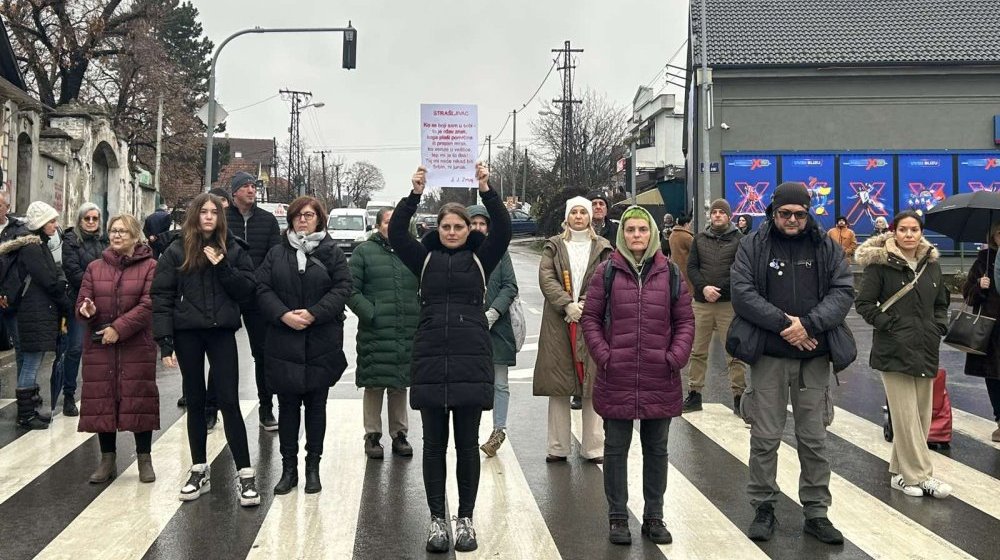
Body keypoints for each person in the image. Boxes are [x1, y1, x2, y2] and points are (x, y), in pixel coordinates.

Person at [388, 163, 511, 553]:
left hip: (470, 357)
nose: (454, 232)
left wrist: (486, 189)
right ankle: (437, 520)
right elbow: (395, 232)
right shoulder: (422, 258)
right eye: (447, 227)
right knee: (434, 445)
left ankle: (466, 519)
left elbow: (504, 230)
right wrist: (414, 194)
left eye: (459, 226)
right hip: (430, 357)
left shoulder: (482, 257)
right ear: (437, 230)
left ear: (469, 229)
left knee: (465, 444)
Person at [727, 181, 856, 545]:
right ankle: (764, 506)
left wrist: (809, 325)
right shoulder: (753, 244)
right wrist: (788, 325)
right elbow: (742, 292)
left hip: (813, 356)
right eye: (785, 213)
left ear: (808, 212)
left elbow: (843, 290)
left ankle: (816, 512)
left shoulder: (826, 246)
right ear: (773, 211)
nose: (793, 220)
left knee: (814, 438)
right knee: (765, 437)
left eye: (800, 214)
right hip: (769, 354)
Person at [581, 205, 695, 546]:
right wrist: (605, 356)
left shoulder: (670, 273)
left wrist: (675, 357)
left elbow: (686, 321)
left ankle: (654, 516)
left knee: (657, 450)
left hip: (660, 375)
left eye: (642, 230)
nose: (636, 236)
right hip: (616, 375)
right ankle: (618, 517)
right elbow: (590, 318)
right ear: (622, 235)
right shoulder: (606, 273)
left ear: (652, 234)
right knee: (615, 449)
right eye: (630, 230)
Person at [151, 192, 261, 507]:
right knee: (196, 400)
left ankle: (245, 473)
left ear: (220, 217)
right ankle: (199, 468)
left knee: (228, 401)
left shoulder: (235, 249)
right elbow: (161, 296)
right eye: (204, 211)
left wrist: (223, 265)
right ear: (195, 216)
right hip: (188, 334)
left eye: (214, 211)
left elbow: (247, 291)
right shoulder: (176, 250)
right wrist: (165, 341)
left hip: (221, 333)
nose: (209, 216)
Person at [257, 196, 352, 495]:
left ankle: (313, 467)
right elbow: (261, 287)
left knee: (316, 407)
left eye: (309, 215)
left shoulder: (332, 252)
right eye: (298, 215)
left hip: (320, 340)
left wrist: (314, 314)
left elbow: (343, 287)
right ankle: (289, 469)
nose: (302, 220)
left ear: (319, 219)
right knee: (287, 408)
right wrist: (283, 315)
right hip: (284, 339)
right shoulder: (276, 253)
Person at [855, 210, 953, 498]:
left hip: (925, 347)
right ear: (893, 233)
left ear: (921, 232)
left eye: (914, 229)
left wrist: (939, 325)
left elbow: (941, 302)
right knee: (906, 416)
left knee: (921, 416)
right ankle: (920, 476)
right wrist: (889, 326)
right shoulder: (880, 264)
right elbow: (863, 303)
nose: (909, 235)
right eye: (903, 230)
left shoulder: (931, 264)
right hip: (893, 349)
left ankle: (900, 473)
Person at [76, 214, 159, 484]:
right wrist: (87, 310)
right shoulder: (94, 267)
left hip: (136, 344)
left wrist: (119, 328)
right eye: (113, 230)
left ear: (135, 236)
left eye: (123, 231)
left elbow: (148, 305)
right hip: (101, 344)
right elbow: (82, 302)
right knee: (103, 398)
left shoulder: (150, 266)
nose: (117, 235)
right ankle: (107, 459)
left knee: (139, 399)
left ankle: (144, 458)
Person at [534, 196, 612, 464]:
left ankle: (594, 447)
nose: (579, 217)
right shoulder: (554, 246)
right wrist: (567, 305)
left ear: (591, 217)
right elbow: (547, 277)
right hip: (559, 322)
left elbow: (605, 278)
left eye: (583, 212)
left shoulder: (602, 247)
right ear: (567, 217)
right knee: (559, 384)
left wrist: (585, 305)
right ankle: (557, 447)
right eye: (574, 212)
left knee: (592, 383)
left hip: (592, 321)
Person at [348, 207, 419, 460]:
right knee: (375, 382)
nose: (392, 226)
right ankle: (372, 435)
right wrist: (371, 313)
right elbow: (350, 289)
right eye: (388, 222)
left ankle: (399, 434)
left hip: (407, 327)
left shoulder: (412, 252)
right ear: (379, 226)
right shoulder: (363, 252)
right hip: (375, 329)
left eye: (396, 222)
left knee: (400, 383)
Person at [0, 201, 70, 429]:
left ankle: (28, 410)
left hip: (34, 310)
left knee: (30, 359)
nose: (55, 225)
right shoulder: (33, 248)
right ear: (41, 223)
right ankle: (26, 414)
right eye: (51, 221)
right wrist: (64, 295)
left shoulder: (37, 244)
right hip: (33, 311)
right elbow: (49, 280)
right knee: (31, 361)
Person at [226, 171, 282, 431]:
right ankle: (212, 408)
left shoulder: (267, 220)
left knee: (263, 353)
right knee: (221, 353)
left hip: (258, 295)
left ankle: (266, 407)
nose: (251, 190)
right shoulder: (223, 219)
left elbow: (274, 256)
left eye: (253, 186)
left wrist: (254, 281)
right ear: (234, 192)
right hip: (227, 292)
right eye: (246, 186)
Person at [682, 199, 747, 413]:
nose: (717, 215)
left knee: (734, 352)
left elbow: (740, 270)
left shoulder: (740, 240)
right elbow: (691, 267)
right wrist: (704, 288)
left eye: (722, 212)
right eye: (715, 212)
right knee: (697, 351)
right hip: (702, 303)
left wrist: (719, 289)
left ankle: (739, 397)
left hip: (728, 303)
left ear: (729, 216)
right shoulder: (699, 239)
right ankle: (694, 394)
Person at [467, 204, 519, 457]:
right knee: (472, 382)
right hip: (467, 328)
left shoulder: (501, 252)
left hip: (497, 327)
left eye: (482, 223)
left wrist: (494, 312)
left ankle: (498, 430)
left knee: (500, 383)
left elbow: (510, 285)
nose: (478, 228)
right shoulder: (461, 252)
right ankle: (470, 431)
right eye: (473, 223)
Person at [57, 203, 108, 416]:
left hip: (103, 301)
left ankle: (100, 394)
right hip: (78, 300)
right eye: (87, 218)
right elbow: (72, 270)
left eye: (94, 219)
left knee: (102, 348)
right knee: (76, 348)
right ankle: (69, 394)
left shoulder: (104, 240)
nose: (90, 222)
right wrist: (95, 285)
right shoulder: (70, 241)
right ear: (79, 219)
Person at [0, 191, 29, 378]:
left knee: (20, 345)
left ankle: (23, 390)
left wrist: (5, 293)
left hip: (8, 298)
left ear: (7, 208)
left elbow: (18, 268)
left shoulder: (18, 231)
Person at [667, 214, 694, 294]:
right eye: (690, 224)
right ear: (686, 224)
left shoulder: (672, 234)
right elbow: (695, 252)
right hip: (686, 269)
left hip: (674, 267)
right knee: (688, 292)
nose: (690, 226)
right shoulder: (687, 237)